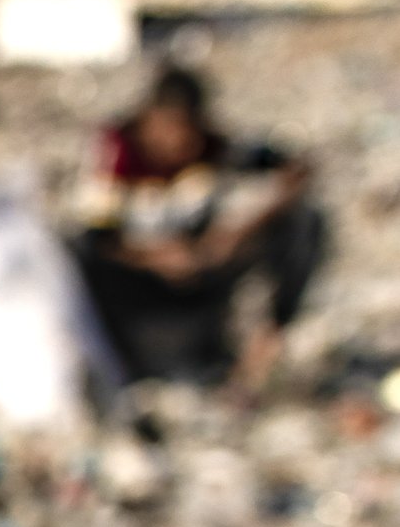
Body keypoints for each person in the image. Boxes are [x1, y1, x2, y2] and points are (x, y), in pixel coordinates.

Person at [71, 59, 323, 387]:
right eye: (170, 128)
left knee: (304, 224)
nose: (179, 143)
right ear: (150, 119)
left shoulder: (215, 149)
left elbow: (297, 169)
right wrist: (157, 258)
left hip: (200, 276)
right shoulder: (117, 154)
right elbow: (93, 239)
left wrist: (231, 236)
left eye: (188, 130)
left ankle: (263, 346)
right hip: (135, 283)